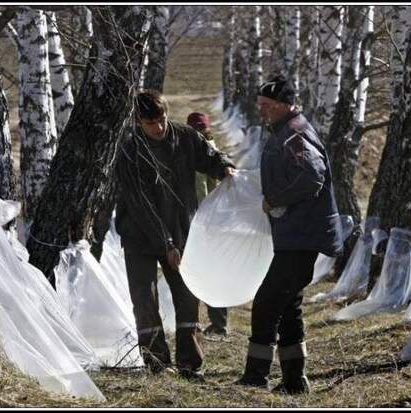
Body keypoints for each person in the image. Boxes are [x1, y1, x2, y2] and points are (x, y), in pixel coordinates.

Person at [115, 91, 235, 382]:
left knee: (187, 295)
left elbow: (210, 156)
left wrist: (224, 167)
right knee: (144, 298)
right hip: (139, 235)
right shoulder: (130, 150)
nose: (158, 127)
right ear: (137, 121)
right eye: (150, 123)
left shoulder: (185, 137)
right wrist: (165, 243)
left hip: (182, 228)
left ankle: (189, 363)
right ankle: (156, 363)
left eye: (161, 120)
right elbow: (141, 204)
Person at [236, 75, 343, 394]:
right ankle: (295, 382)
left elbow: (312, 177)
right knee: (288, 306)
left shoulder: (293, 134)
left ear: (285, 105)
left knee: (268, 302)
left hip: (302, 235)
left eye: (267, 106)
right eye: (261, 105)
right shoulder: (288, 131)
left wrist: (275, 199)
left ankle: (256, 377)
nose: (262, 111)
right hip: (297, 235)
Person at [186, 111, 230, 338]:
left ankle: (217, 324)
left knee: (207, 272)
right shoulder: (213, 152)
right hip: (211, 221)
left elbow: (202, 190)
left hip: (206, 222)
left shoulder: (203, 153)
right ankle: (216, 323)